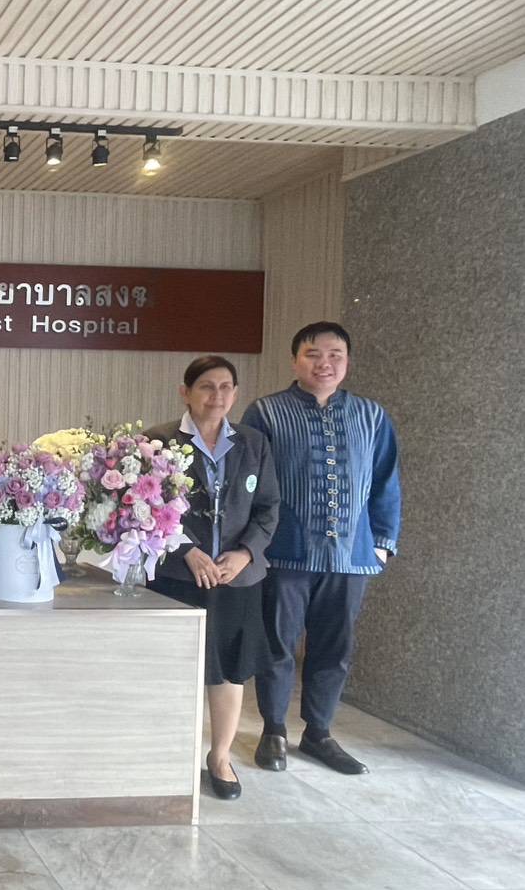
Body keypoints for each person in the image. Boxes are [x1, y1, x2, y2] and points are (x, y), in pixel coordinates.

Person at [240, 322, 402, 775]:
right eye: (313, 354)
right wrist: (250, 545)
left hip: (351, 557)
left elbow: (386, 481)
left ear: (347, 362)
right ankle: (273, 730)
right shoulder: (267, 412)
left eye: (335, 355)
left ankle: (319, 733)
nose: (324, 363)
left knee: (335, 648)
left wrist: (382, 543)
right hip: (284, 553)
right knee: (278, 644)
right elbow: (249, 481)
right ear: (295, 361)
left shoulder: (372, 416)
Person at [148, 356, 280, 800]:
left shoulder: (253, 442)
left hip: (235, 578)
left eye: (226, 387)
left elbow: (268, 508)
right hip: (176, 577)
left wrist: (245, 554)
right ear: (185, 392)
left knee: (229, 671)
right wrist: (186, 550)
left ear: (236, 394)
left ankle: (220, 757)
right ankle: (169, 756)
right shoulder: (158, 442)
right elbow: (147, 507)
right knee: (173, 670)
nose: (217, 396)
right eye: (206, 386)